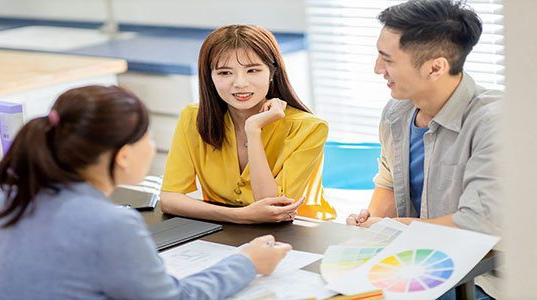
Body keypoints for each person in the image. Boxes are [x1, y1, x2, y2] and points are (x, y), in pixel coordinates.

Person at [0, 85, 291, 299]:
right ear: (123, 156)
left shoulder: (7, 195)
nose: (152, 145)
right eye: (148, 136)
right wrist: (247, 262)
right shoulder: (110, 224)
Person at [347, 0, 501, 235]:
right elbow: (389, 184)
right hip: (412, 259)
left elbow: (480, 223)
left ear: (435, 68)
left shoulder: (494, 122)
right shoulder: (395, 113)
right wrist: (369, 226)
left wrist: (392, 227)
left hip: (481, 267)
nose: (378, 69)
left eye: (388, 60)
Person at [160, 25, 336, 223]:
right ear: (210, 77)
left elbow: (274, 208)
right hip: (229, 232)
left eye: (252, 70)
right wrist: (239, 216)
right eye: (225, 73)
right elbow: (169, 199)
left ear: (272, 73)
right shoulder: (193, 117)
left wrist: (253, 129)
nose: (240, 83)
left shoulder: (309, 128)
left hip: (298, 235)